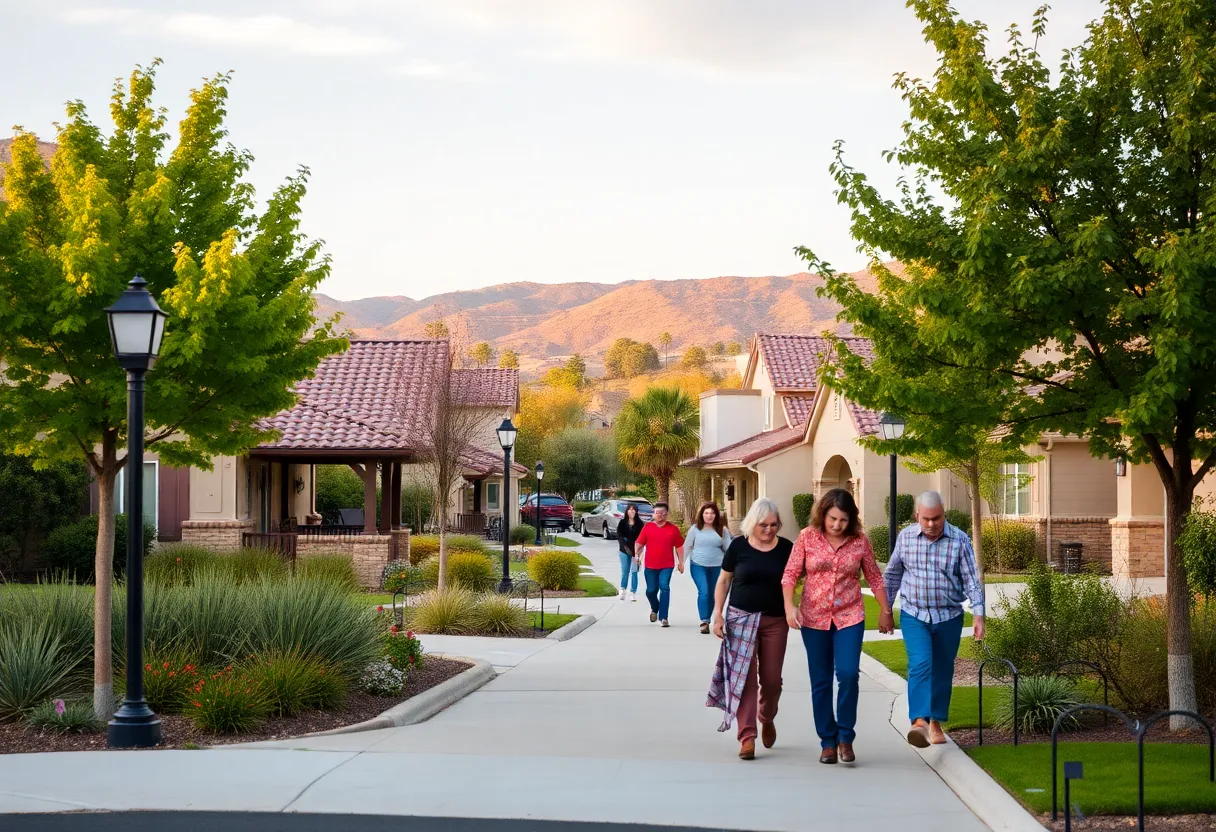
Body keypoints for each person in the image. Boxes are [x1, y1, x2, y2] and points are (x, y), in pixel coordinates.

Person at [783, 488, 894, 764]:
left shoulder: (859, 541)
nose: (837, 525)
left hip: (850, 616)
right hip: (813, 618)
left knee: (847, 674)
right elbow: (790, 573)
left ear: (851, 519)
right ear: (823, 514)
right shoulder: (807, 537)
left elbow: (875, 577)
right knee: (820, 681)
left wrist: (885, 609)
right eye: (832, 518)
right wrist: (789, 606)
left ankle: (846, 737)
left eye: (843, 520)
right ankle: (827, 742)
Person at [883, 491, 985, 748]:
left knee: (942, 669)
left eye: (936, 518)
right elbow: (893, 574)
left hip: (948, 616)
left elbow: (972, 579)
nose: (931, 524)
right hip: (914, 614)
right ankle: (919, 721)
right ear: (917, 516)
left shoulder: (959, 540)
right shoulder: (906, 538)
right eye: (926, 519)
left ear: (944, 515)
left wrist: (979, 613)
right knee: (920, 663)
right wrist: (885, 610)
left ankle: (936, 722)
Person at [708, 498, 793, 760]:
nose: (769, 530)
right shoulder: (738, 546)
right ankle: (747, 736)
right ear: (752, 524)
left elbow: (796, 581)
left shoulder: (787, 549)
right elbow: (724, 580)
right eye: (763, 525)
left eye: (774, 525)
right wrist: (717, 614)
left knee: (771, 680)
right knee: (743, 679)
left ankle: (766, 717)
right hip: (740, 619)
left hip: (775, 621)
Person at [635, 502, 685, 627]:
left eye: (663, 513)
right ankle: (655, 607)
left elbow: (679, 547)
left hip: (667, 565)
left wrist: (681, 562)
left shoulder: (673, 529)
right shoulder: (648, 527)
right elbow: (639, 543)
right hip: (650, 565)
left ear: (667, 514)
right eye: (657, 513)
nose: (660, 515)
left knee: (664, 587)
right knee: (651, 591)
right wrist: (636, 555)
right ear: (654, 513)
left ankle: (664, 617)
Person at [685, 502, 731, 634]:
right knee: (704, 592)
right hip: (698, 564)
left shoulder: (722, 530)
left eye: (712, 513)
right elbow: (687, 545)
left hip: (717, 566)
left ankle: (711, 618)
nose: (709, 516)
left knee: (713, 594)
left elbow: (729, 549)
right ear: (702, 515)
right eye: (706, 513)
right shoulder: (695, 529)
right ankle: (704, 621)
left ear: (716, 515)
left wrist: (733, 566)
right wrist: (681, 563)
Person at [615, 503, 645, 601]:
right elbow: (619, 536)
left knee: (634, 571)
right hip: (624, 550)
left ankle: (633, 592)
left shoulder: (640, 524)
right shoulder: (622, 523)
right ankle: (623, 590)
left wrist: (638, 553)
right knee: (625, 571)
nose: (632, 511)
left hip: (635, 550)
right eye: (630, 509)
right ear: (627, 511)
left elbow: (642, 539)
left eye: (633, 509)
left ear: (636, 512)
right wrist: (625, 547)